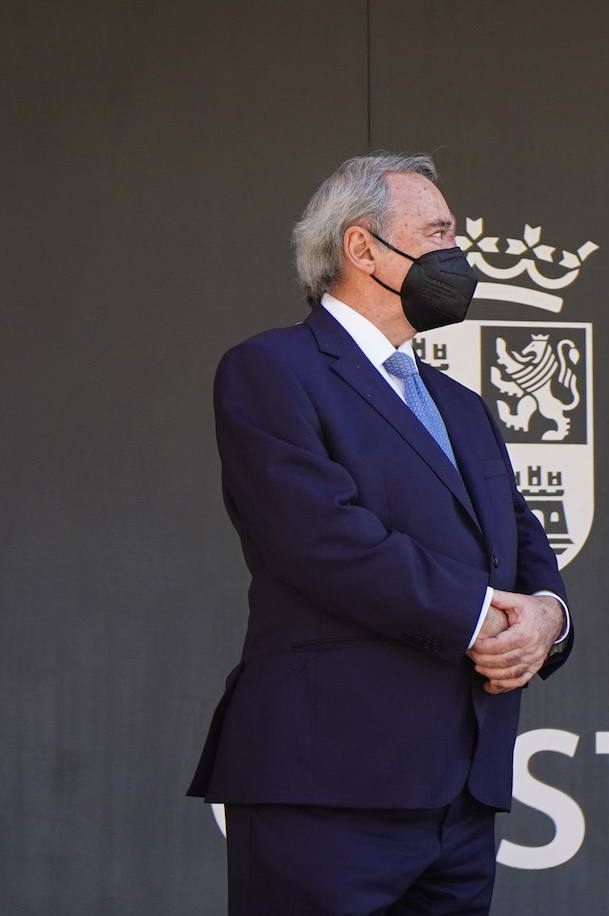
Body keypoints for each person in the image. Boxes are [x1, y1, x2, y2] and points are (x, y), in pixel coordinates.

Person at [187, 153, 573, 915]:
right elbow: (320, 538)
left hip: (459, 795)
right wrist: (482, 618)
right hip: (326, 781)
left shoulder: (460, 403)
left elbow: (523, 543)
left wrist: (548, 618)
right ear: (362, 249)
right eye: (438, 233)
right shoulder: (273, 369)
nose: (457, 258)